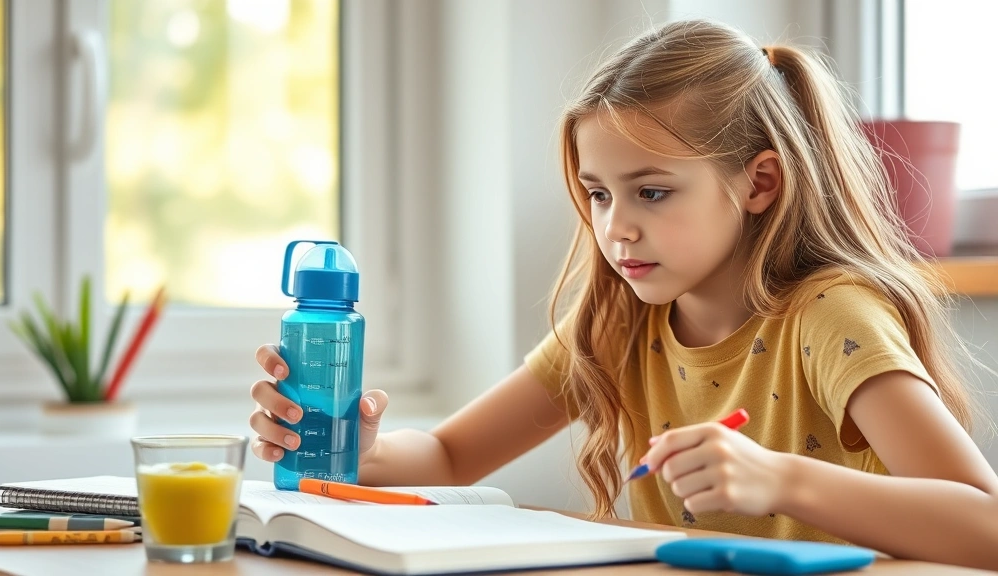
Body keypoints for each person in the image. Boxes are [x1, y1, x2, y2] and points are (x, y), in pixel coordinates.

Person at [248, 19, 998, 569]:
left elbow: (986, 527)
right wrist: (357, 446)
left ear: (758, 182)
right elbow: (448, 456)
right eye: (599, 194)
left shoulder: (831, 316)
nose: (617, 231)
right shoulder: (618, 321)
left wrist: (781, 477)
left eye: (653, 192)